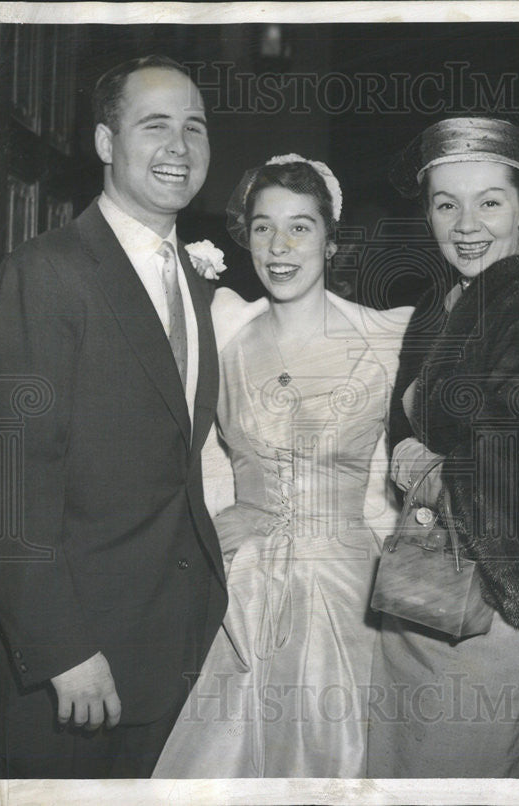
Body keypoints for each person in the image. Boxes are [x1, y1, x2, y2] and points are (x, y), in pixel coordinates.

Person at [0, 56, 227, 778]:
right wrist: (63, 650)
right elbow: (7, 486)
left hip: (167, 651)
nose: (180, 146)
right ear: (105, 143)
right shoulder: (46, 272)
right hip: (70, 668)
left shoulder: (190, 280)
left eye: (194, 127)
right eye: (154, 125)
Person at [153, 156, 411, 778]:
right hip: (238, 587)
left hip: (350, 593)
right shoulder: (222, 330)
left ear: (332, 238)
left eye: (301, 227)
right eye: (264, 227)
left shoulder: (388, 337)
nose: (280, 246)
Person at [367, 117, 519, 778]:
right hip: (423, 591)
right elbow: (408, 424)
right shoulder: (449, 302)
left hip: (486, 594)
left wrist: (427, 465)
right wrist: (413, 448)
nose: (466, 224)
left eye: (489, 202)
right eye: (446, 204)